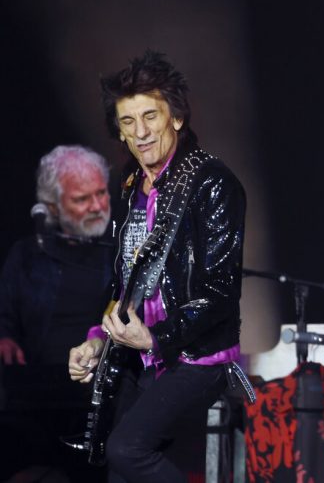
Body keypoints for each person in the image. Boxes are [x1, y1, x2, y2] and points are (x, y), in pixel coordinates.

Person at [67, 51, 246, 482]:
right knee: (116, 467)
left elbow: (220, 292)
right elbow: (121, 283)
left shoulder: (212, 183)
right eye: (128, 122)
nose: (141, 131)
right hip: (139, 353)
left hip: (198, 356)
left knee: (129, 449)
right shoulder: (131, 189)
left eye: (151, 116)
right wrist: (95, 340)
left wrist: (156, 337)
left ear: (176, 119)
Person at [0, 144, 113, 482]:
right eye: (82, 199)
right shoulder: (28, 254)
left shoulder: (121, 251)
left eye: (102, 193)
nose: (97, 206)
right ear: (52, 207)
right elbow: (4, 314)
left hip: (97, 397)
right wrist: (4, 338)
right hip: (34, 395)